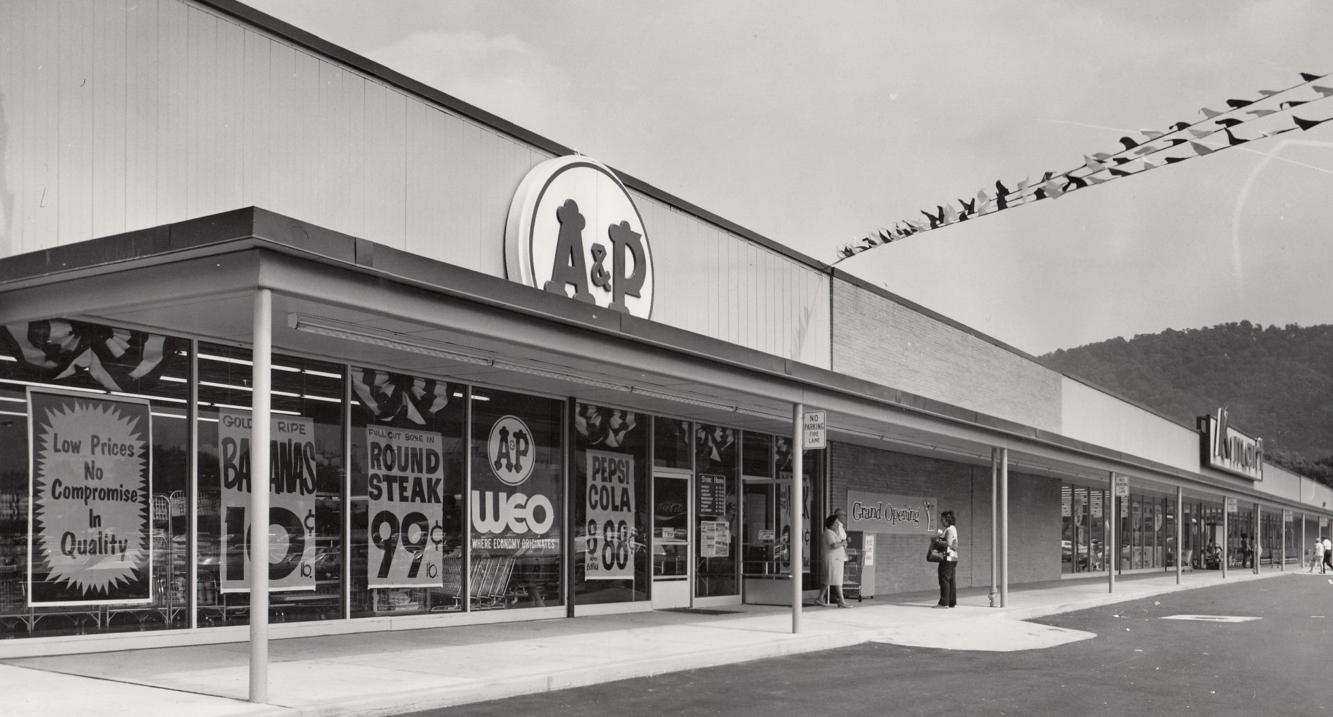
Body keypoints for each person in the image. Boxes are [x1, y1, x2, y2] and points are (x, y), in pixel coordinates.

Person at [820, 509, 850, 608]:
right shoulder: (828, 533)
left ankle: (820, 598)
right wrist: (843, 543)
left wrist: (842, 543)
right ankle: (841, 601)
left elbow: (838, 543)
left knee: (827, 580)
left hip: (836, 560)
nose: (837, 525)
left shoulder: (834, 533)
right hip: (833, 560)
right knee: (837, 581)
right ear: (831, 524)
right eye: (836, 523)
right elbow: (833, 545)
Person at [936, 510, 958, 608]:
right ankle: (952, 602)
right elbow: (955, 545)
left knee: (944, 579)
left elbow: (948, 543)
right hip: (953, 558)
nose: (941, 521)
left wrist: (936, 541)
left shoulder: (949, 530)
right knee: (951, 580)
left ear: (947, 519)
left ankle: (944, 603)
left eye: (942, 519)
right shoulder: (954, 529)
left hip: (947, 558)